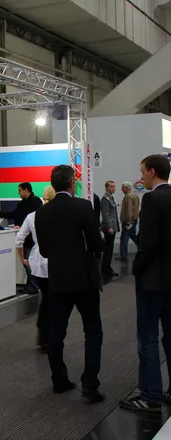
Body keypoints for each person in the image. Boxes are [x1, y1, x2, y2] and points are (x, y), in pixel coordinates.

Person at [35, 165, 104, 403]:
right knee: (93, 331)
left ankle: (59, 380)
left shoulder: (41, 213)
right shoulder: (83, 206)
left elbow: (43, 250)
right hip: (85, 279)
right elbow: (97, 244)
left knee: (56, 332)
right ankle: (90, 385)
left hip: (58, 280)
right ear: (72, 183)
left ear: (53, 185)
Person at [120, 155, 171, 413]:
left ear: (152, 172)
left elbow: (148, 244)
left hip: (153, 280)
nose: (141, 177)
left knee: (148, 337)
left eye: (142, 172)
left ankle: (151, 396)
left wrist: (136, 269)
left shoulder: (151, 198)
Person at [15, 185, 55, 351]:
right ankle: (49, 335)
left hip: (37, 262)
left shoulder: (32, 216)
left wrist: (22, 259)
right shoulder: (58, 215)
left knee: (46, 298)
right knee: (52, 300)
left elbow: (18, 240)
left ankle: (43, 333)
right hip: (55, 262)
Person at [0, 182, 43, 294]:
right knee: (27, 262)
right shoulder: (22, 203)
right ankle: (31, 285)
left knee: (30, 262)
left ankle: (34, 286)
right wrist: (0, 213)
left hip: (32, 239)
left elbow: (31, 219)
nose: (18, 193)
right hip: (25, 238)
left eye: (20, 190)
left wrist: (22, 226)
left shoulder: (36, 202)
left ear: (26, 190)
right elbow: (15, 214)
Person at [116, 181, 139, 262]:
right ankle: (143, 248)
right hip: (134, 220)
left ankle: (123, 255)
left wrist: (128, 221)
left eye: (123, 187)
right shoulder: (134, 195)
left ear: (127, 188)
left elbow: (129, 210)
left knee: (124, 237)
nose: (121, 189)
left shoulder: (128, 196)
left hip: (129, 221)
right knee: (133, 236)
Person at [100, 181, 120, 277]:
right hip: (110, 227)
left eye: (114, 186)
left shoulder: (110, 198)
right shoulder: (105, 199)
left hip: (113, 226)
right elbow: (105, 214)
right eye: (111, 186)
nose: (113, 188)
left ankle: (107, 267)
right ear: (106, 187)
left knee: (109, 249)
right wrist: (110, 227)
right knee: (108, 249)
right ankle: (106, 268)